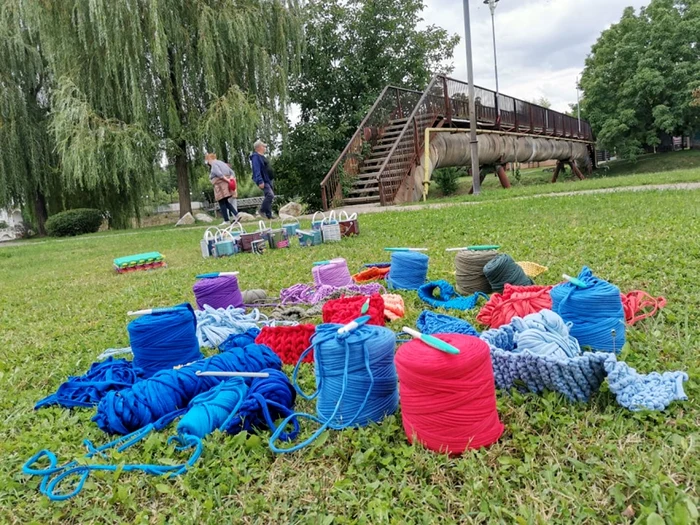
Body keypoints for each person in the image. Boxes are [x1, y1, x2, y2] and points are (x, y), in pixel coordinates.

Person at [205, 153, 238, 225]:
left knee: (221, 202)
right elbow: (232, 172)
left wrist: (227, 179)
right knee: (226, 202)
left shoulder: (214, 164)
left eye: (207, 161)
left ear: (209, 159)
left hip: (220, 186)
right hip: (226, 185)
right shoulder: (222, 163)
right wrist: (230, 179)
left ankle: (226, 220)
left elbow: (219, 173)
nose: (208, 163)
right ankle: (236, 215)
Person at [250, 140, 274, 219]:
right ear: (259, 147)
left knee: (268, 196)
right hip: (263, 180)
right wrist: (260, 181)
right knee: (270, 195)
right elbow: (256, 169)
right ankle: (262, 210)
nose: (265, 148)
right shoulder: (256, 157)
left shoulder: (262, 156)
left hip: (268, 179)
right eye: (263, 146)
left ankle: (269, 215)